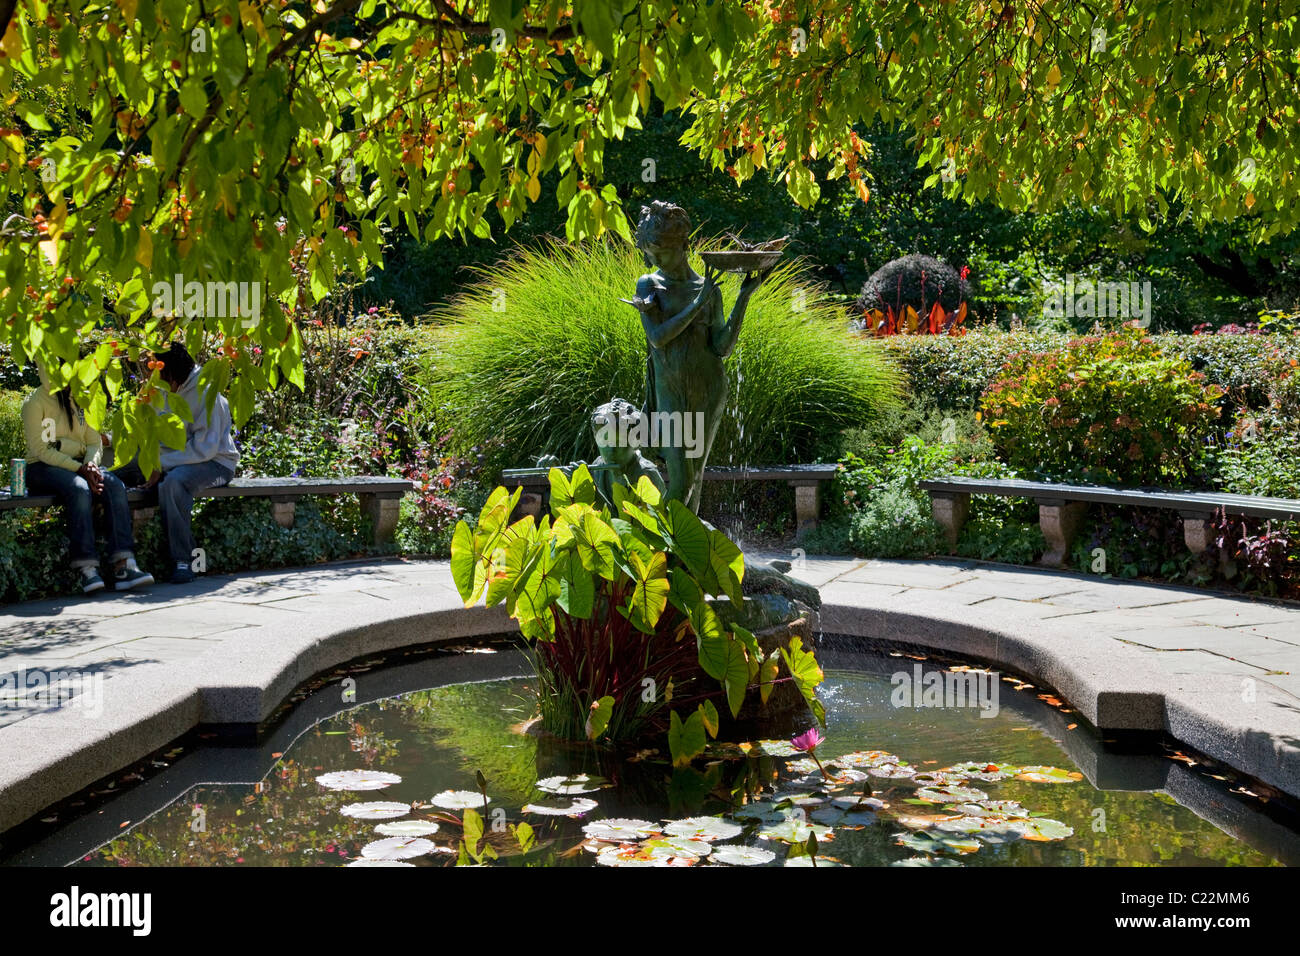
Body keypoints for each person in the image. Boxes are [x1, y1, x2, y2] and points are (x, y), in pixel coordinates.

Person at [21, 364, 154, 593]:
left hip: (81, 465)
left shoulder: (83, 399)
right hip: (42, 467)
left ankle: (124, 566)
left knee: (113, 484)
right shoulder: (35, 403)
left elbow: (94, 442)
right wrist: (80, 467)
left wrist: (90, 463)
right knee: (79, 488)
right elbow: (43, 450)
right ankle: (86, 569)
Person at [119, 343, 239, 584]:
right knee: (118, 472)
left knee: (173, 484)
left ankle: (183, 561)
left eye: (161, 373)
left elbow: (206, 449)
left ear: (173, 373)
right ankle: (121, 560)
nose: (156, 378)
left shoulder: (207, 394)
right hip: (172, 461)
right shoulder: (165, 388)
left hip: (216, 463)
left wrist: (160, 465)